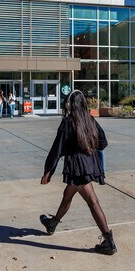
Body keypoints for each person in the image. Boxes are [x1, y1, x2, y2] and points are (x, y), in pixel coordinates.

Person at [39, 90, 116, 255]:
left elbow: (57, 149)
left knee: (93, 202)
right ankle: (52, 223)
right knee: (68, 194)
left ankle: (108, 241)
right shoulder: (90, 119)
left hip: (77, 166)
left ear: (69, 104)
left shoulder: (68, 122)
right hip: (88, 163)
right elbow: (103, 142)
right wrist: (89, 148)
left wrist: (48, 171)